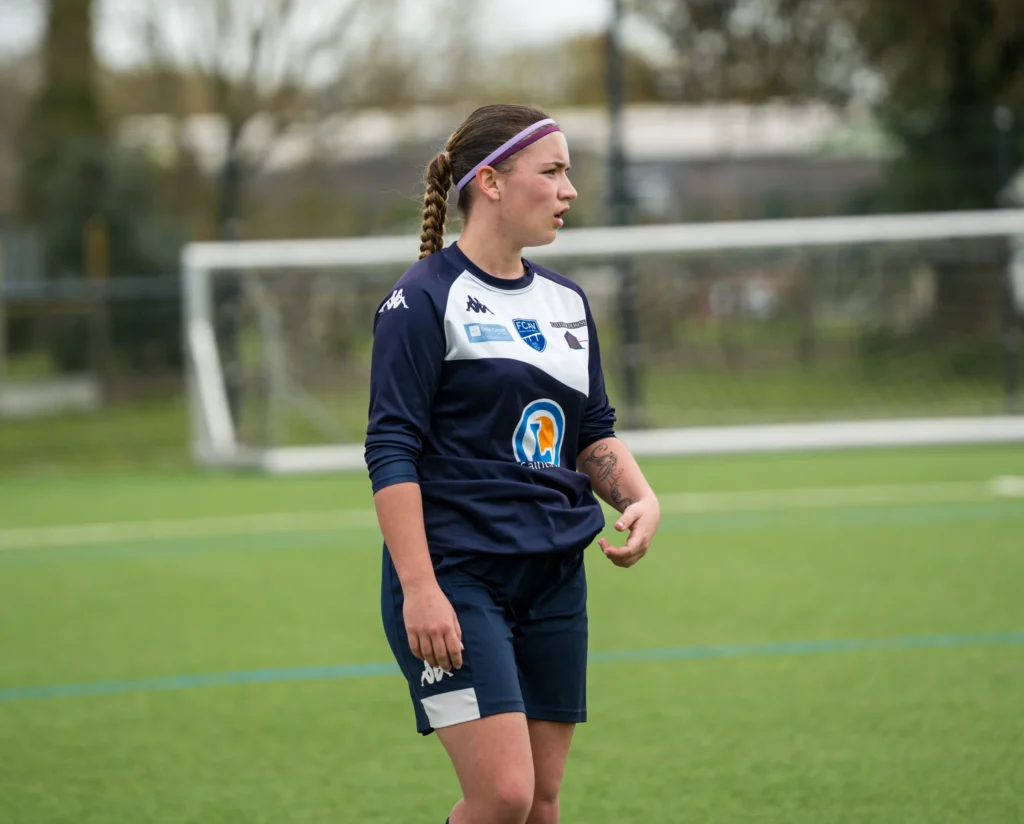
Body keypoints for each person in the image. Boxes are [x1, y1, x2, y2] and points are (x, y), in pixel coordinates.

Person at [364, 104, 661, 824]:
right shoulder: (422, 299)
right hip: (458, 576)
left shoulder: (567, 302)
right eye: (552, 171)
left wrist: (639, 496)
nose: (569, 190)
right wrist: (420, 590)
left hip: (554, 573)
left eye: (569, 172)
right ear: (491, 182)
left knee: (541, 805)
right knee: (502, 797)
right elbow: (391, 449)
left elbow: (591, 431)